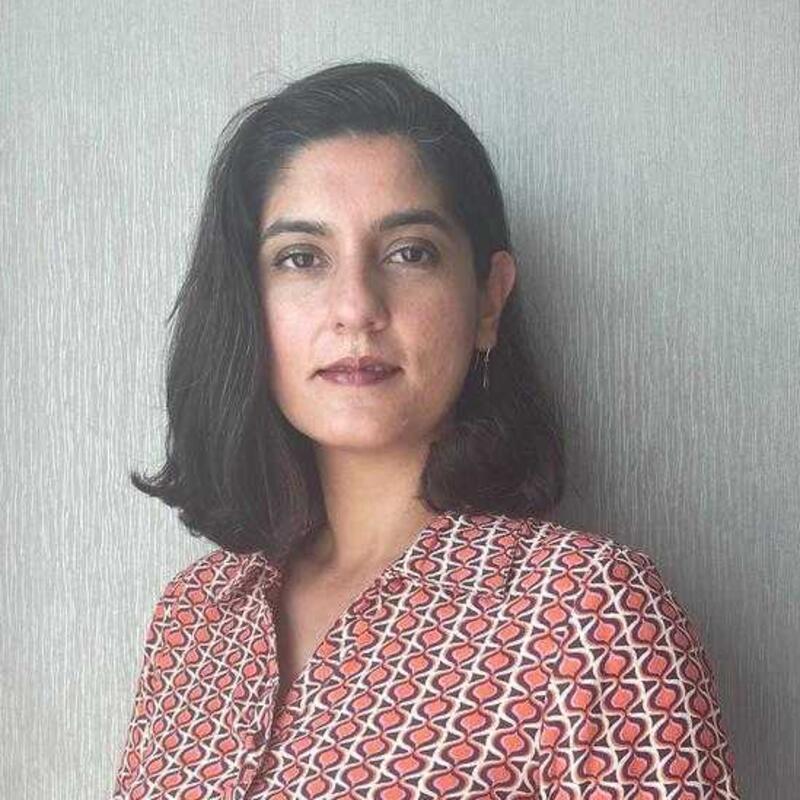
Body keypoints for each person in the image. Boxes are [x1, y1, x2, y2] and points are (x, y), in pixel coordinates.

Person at [111, 60, 741, 799]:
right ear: (248, 305)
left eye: (409, 252)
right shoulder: (196, 618)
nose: (356, 307)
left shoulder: (590, 614)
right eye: (301, 258)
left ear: (488, 300)